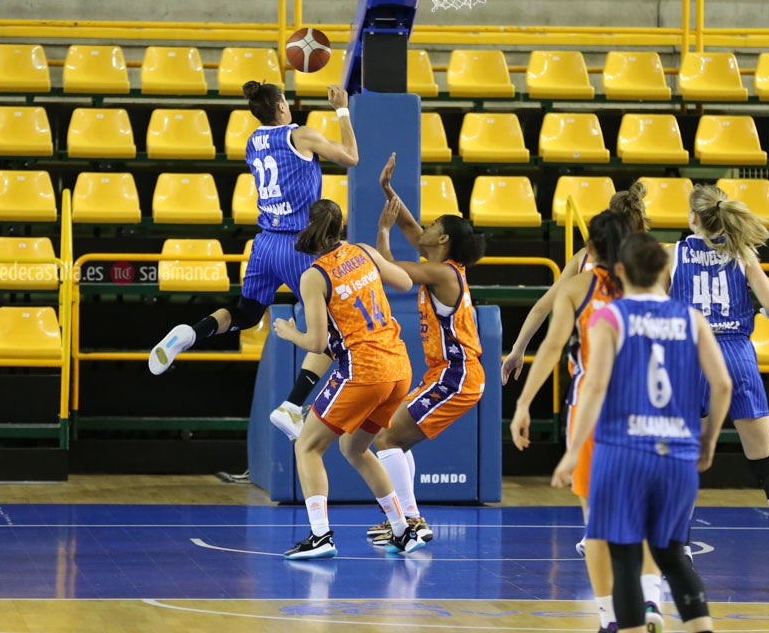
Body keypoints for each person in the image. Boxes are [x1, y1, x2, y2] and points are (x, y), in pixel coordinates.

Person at [148, 82, 358, 442]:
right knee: (340, 331)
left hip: (264, 243)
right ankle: (293, 406)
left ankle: (190, 333)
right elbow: (351, 157)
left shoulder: (252, 142)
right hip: (300, 244)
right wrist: (342, 110)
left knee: (245, 314)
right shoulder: (302, 135)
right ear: (280, 107)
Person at [553, 232, 732, 633]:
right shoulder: (691, 317)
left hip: (624, 452)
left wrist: (572, 452)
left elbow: (595, 388)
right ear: (665, 271)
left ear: (620, 271)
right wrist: (709, 440)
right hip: (678, 453)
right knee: (671, 554)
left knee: (626, 558)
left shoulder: (610, 317)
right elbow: (722, 385)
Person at [512, 210, 663, 633]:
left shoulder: (578, 287)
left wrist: (524, 404)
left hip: (592, 415)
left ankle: (609, 617)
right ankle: (652, 598)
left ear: (589, 248)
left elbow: (553, 347)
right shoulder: (650, 283)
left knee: (596, 519)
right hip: (646, 411)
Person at [667, 184, 769, 586]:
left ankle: (679, 554)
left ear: (693, 217)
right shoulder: (742, 253)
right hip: (737, 358)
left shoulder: (673, 254)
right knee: (765, 464)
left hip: (692, 357)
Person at [272, 199, 426, 559]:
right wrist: (381, 243)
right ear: (341, 227)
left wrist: (289, 332)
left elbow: (317, 342)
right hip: (398, 368)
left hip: (363, 370)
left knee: (307, 446)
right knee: (355, 448)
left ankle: (320, 536)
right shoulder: (364, 251)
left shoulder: (314, 276)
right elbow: (404, 281)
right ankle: (403, 529)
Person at [364, 152, 487, 545]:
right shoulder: (442, 264)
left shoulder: (442, 273)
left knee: (385, 440)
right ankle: (409, 518)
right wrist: (387, 189)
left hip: (457, 375)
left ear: (444, 240)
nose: (424, 228)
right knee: (392, 437)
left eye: (433, 225)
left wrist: (381, 233)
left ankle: (410, 521)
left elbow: (391, 271)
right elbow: (411, 228)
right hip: (447, 374)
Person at [501, 180, 649, 387]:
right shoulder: (652, 260)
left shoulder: (583, 258)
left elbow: (543, 307)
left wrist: (518, 348)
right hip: (634, 371)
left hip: (590, 370)